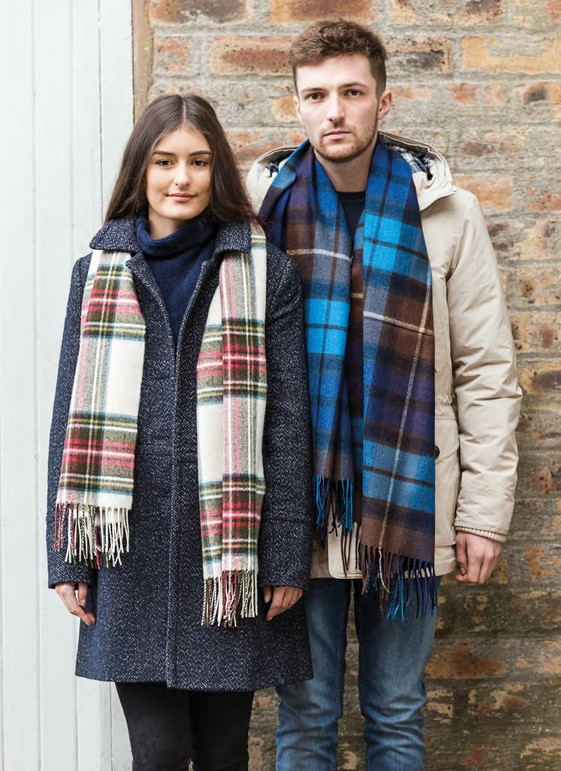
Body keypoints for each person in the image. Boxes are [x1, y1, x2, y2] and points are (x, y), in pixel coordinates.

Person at [247, 19, 522, 771]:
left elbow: (486, 371)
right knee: (304, 717)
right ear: (295, 106)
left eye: (350, 92)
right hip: (297, 510)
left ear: (382, 100)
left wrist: (483, 515)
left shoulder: (446, 211)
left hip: (411, 504)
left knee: (397, 715)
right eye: (316, 95)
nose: (333, 110)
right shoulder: (256, 211)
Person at [46, 93, 314, 771]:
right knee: (159, 753)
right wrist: (67, 556)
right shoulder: (97, 273)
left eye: (197, 162)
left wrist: (285, 553)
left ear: (216, 171)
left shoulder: (263, 274)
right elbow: (67, 416)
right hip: (129, 549)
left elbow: (284, 424)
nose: (181, 178)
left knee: (224, 751)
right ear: (141, 169)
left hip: (228, 551)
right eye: (164, 161)